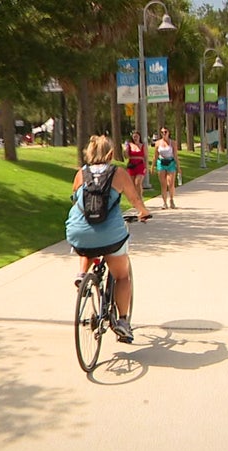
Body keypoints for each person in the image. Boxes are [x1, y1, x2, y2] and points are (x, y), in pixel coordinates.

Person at [66, 135, 152, 342]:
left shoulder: (80, 174)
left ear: (88, 153)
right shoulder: (118, 173)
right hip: (110, 234)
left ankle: (82, 273)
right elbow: (134, 198)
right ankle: (122, 322)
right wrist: (143, 212)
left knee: (86, 244)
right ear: (111, 154)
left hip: (78, 231)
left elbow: (76, 199)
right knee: (122, 276)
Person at [151, 127, 182, 209]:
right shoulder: (157, 143)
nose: (164, 134)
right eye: (162, 132)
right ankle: (164, 203)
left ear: (169, 132)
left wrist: (178, 167)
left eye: (165, 132)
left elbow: (175, 155)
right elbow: (155, 156)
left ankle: (171, 199)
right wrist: (152, 166)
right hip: (161, 163)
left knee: (170, 183)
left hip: (171, 163)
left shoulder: (173, 143)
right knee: (163, 184)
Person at [124, 130, 148, 200]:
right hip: (132, 165)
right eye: (134, 137)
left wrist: (146, 167)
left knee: (138, 182)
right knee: (132, 184)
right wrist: (126, 150)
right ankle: (135, 199)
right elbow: (126, 156)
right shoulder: (129, 145)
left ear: (139, 137)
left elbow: (146, 157)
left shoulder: (143, 146)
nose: (135, 138)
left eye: (136, 136)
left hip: (140, 165)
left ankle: (140, 198)